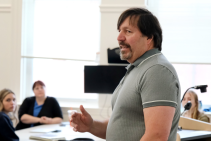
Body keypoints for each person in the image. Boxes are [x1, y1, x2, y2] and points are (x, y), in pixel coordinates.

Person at [71, 8, 181, 141]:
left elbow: (156, 136)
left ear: (149, 37)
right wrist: (91, 125)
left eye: (128, 31)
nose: (119, 38)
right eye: (119, 31)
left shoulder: (157, 70)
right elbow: (121, 127)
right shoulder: (136, 68)